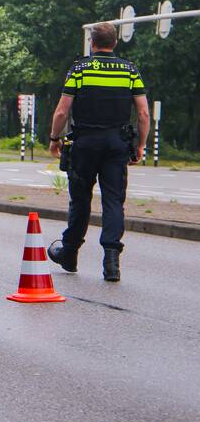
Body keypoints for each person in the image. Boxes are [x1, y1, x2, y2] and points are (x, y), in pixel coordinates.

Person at [46, 22, 149, 282]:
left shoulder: (80, 68)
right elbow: (143, 113)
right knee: (113, 200)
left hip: (85, 144)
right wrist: (140, 145)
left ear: (92, 43)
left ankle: (69, 254)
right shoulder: (129, 70)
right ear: (114, 43)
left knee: (80, 199)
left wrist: (54, 139)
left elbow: (62, 111)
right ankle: (111, 262)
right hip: (116, 144)